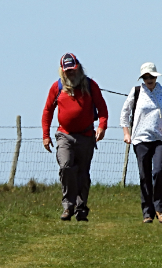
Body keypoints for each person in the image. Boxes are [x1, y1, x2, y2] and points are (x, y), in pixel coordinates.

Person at [41, 53, 108, 221]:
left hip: (86, 136)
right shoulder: (56, 87)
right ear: (62, 71)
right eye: (67, 71)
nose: (70, 73)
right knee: (66, 167)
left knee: (83, 173)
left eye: (73, 70)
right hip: (65, 135)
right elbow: (48, 110)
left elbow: (102, 109)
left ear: (78, 68)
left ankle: (81, 208)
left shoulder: (91, 86)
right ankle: (67, 206)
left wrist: (102, 126)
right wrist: (46, 135)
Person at [120, 62, 162, 224]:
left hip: (161, 138)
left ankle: (161, 210)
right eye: (146, 77)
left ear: (156, 76)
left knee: (159, 171)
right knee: (144, 175)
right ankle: (147, 212)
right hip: (141, 139)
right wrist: (126, 133)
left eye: (151, 76)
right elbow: (125, 113)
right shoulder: (136, 92)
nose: (149, 79)